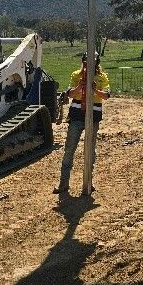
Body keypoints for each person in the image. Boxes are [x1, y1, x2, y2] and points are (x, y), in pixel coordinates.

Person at [54, 53, 110, 194]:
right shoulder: (75, 75)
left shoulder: (102, 77)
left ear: (97, 63)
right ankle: (63, 184)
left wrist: (95, 89)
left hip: (93, 117)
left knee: (90, 150)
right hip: (77, 117)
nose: (88, 65)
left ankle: (88, 182)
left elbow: (106, 96)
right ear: (83, 62)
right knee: (69, 150)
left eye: (92, 62)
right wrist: (80, 86)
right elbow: (70, 94)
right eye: (86, 62)